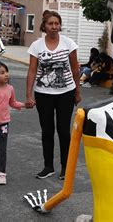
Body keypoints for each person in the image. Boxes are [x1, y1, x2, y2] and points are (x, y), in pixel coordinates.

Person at [26, 10, 81, 180]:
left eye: (57, 23)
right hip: (43, 94)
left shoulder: (68, 43)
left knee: (64, 131)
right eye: (51, 23)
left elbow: (75, 69)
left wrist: (77, 92)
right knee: (47, 131)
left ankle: (66, 167)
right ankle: (48, 166)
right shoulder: (36, 46)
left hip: (66, 93)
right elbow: (32, 70)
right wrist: (29, 94)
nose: (54, 27)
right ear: (44, 26)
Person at [0, 61, 27, 185]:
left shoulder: (10, 88)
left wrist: (24, 105)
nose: (6, 75)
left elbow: (12, 103)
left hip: (4, 124)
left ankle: (2, 173)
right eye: (2, 73)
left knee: (2, 150)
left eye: (6, 71)